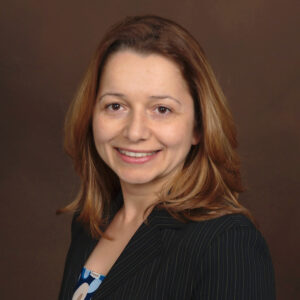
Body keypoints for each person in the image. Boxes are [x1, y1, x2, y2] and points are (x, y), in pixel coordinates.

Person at [58, 15, 275, 300]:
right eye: (115, 106)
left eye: (161, 109)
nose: (135, 132)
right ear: (91, 113)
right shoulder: (91, 221)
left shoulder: (227, 243)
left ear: (198, 126)